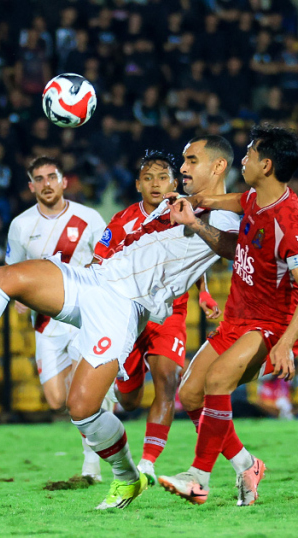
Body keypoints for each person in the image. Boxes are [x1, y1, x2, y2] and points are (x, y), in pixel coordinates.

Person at [0, 135, 241, 510]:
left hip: (125, 308)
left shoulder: (223, 217)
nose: (182, 168)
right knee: (6, 277)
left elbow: (233, 247)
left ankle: (127, 478)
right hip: (96, 280)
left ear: (218, 167)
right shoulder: (179, 202)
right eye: (182, 162)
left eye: (191, 161)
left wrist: (197, 224)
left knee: (81, 407)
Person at [157, 124, 298, 507]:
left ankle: (197, 478)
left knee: (217, 382)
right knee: (191, 393)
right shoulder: (253, 199)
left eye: (248, 153)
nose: (241, 159)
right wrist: (195, 212)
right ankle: (248, 465)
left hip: (270, 325)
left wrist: (284, 345)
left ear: (265, 165)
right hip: (237, 317)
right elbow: (232, 224)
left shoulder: (289, 223)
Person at [94, 148, 222, 485]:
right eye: (148, 178)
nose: (155, 184)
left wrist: (204, 292)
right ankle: (119, 387)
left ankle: (147, 465)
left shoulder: (183, 213)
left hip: (170, 311)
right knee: (130, 401)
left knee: (167, 381)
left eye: (162, 177)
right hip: (128, 315)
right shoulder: (121, 222)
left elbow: (197, 256)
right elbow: (99, 266)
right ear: (137, 184)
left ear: (173, 182)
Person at [3, 156, 108, 480]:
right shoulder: (21, 225)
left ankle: (92, 464)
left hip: (84, 316)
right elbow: (12, 271)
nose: (47, 183)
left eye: (52, 176)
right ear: (31, 186)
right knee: (55, 400)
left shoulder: (89, 219)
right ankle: (105, 405)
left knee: (82, 394)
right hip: (46, 323)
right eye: (40, 178)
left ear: (64, 181)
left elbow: (110, 260)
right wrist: (18, 296)